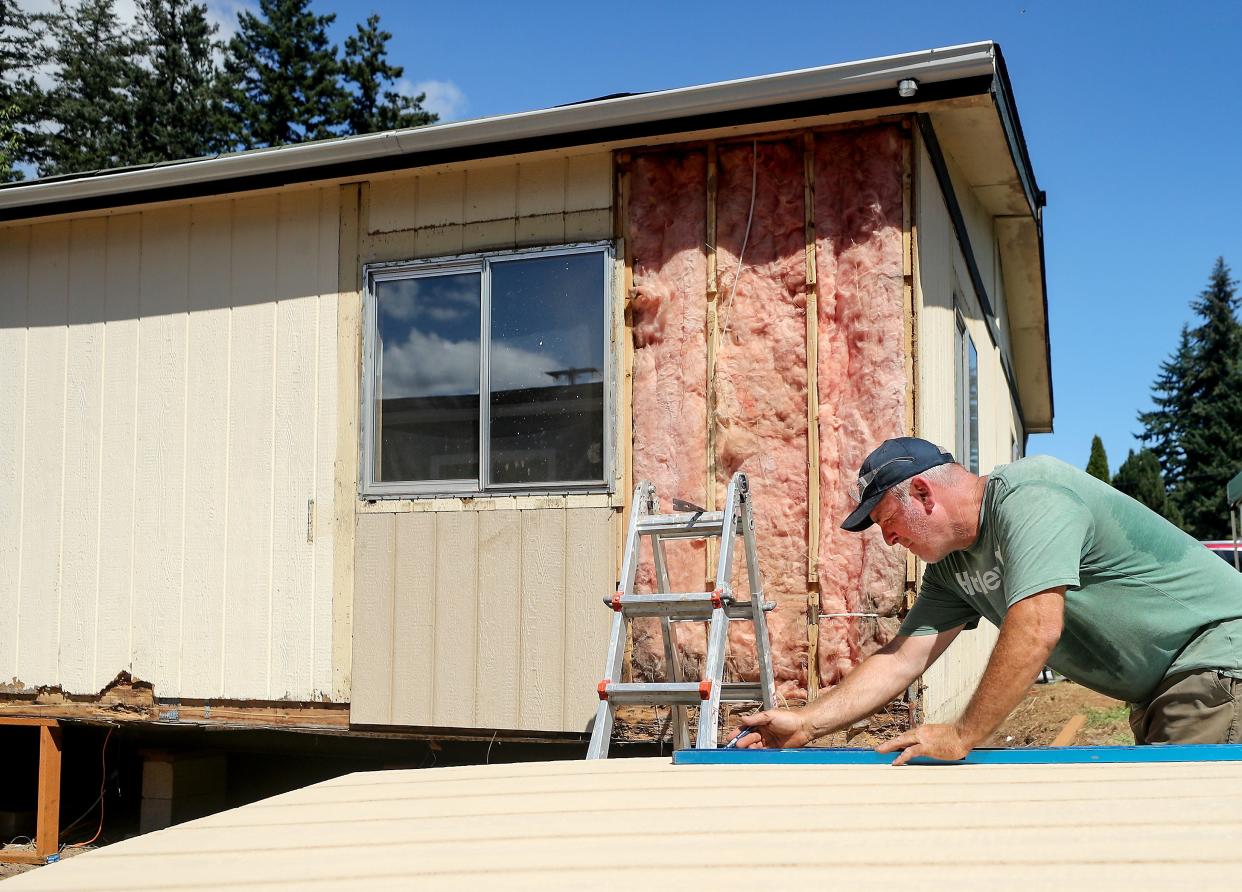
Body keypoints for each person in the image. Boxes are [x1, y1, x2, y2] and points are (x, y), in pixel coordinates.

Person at [738, 437, 1242, 762]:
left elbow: (1036, 627)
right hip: (1166, 687)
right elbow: (902, 658)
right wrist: (807, 721)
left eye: (888, 522)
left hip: (1215, 660)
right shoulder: (952, 568)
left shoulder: (1032, 495)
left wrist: (964, 732)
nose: (888, 540)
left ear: (922, 493)